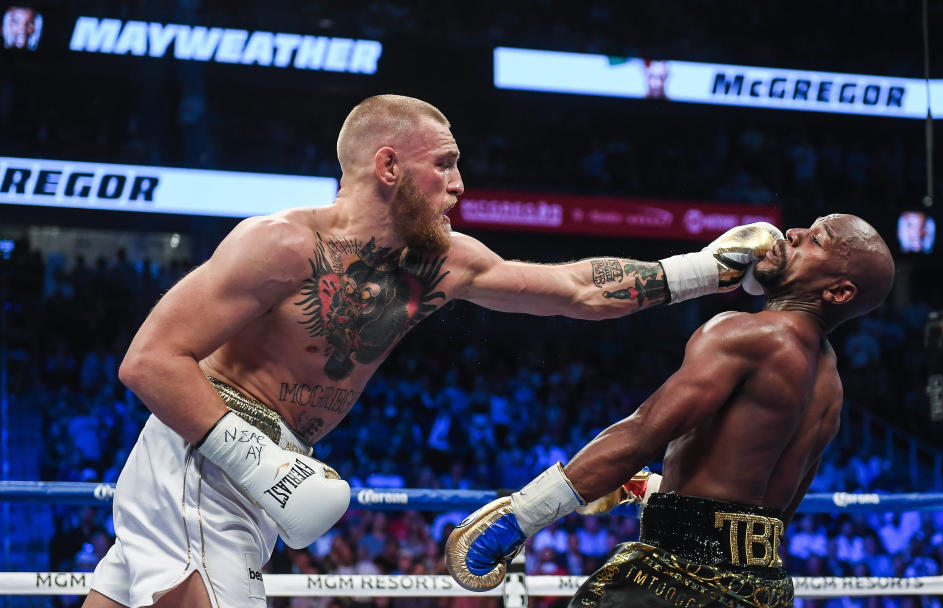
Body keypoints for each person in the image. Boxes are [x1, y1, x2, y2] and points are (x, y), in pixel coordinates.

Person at [84, 94, 780, 608]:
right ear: (388, 165)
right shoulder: (283, 244)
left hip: (263, 466)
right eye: (444, 164)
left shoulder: (442, 264)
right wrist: (263, 463)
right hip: (206, 455)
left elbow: (577, 292)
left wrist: (711, 268)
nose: (459, 184)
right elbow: (149, 361)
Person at [446, 214, 895, 608]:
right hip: (765, 591)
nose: (793, 232)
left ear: (839, 291)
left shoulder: (746, 333)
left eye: (816, 240)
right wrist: (651, 488)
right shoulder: (831, 384)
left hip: (678, 581)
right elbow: (759, 515)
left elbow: (645, 430)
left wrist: (521, 516)